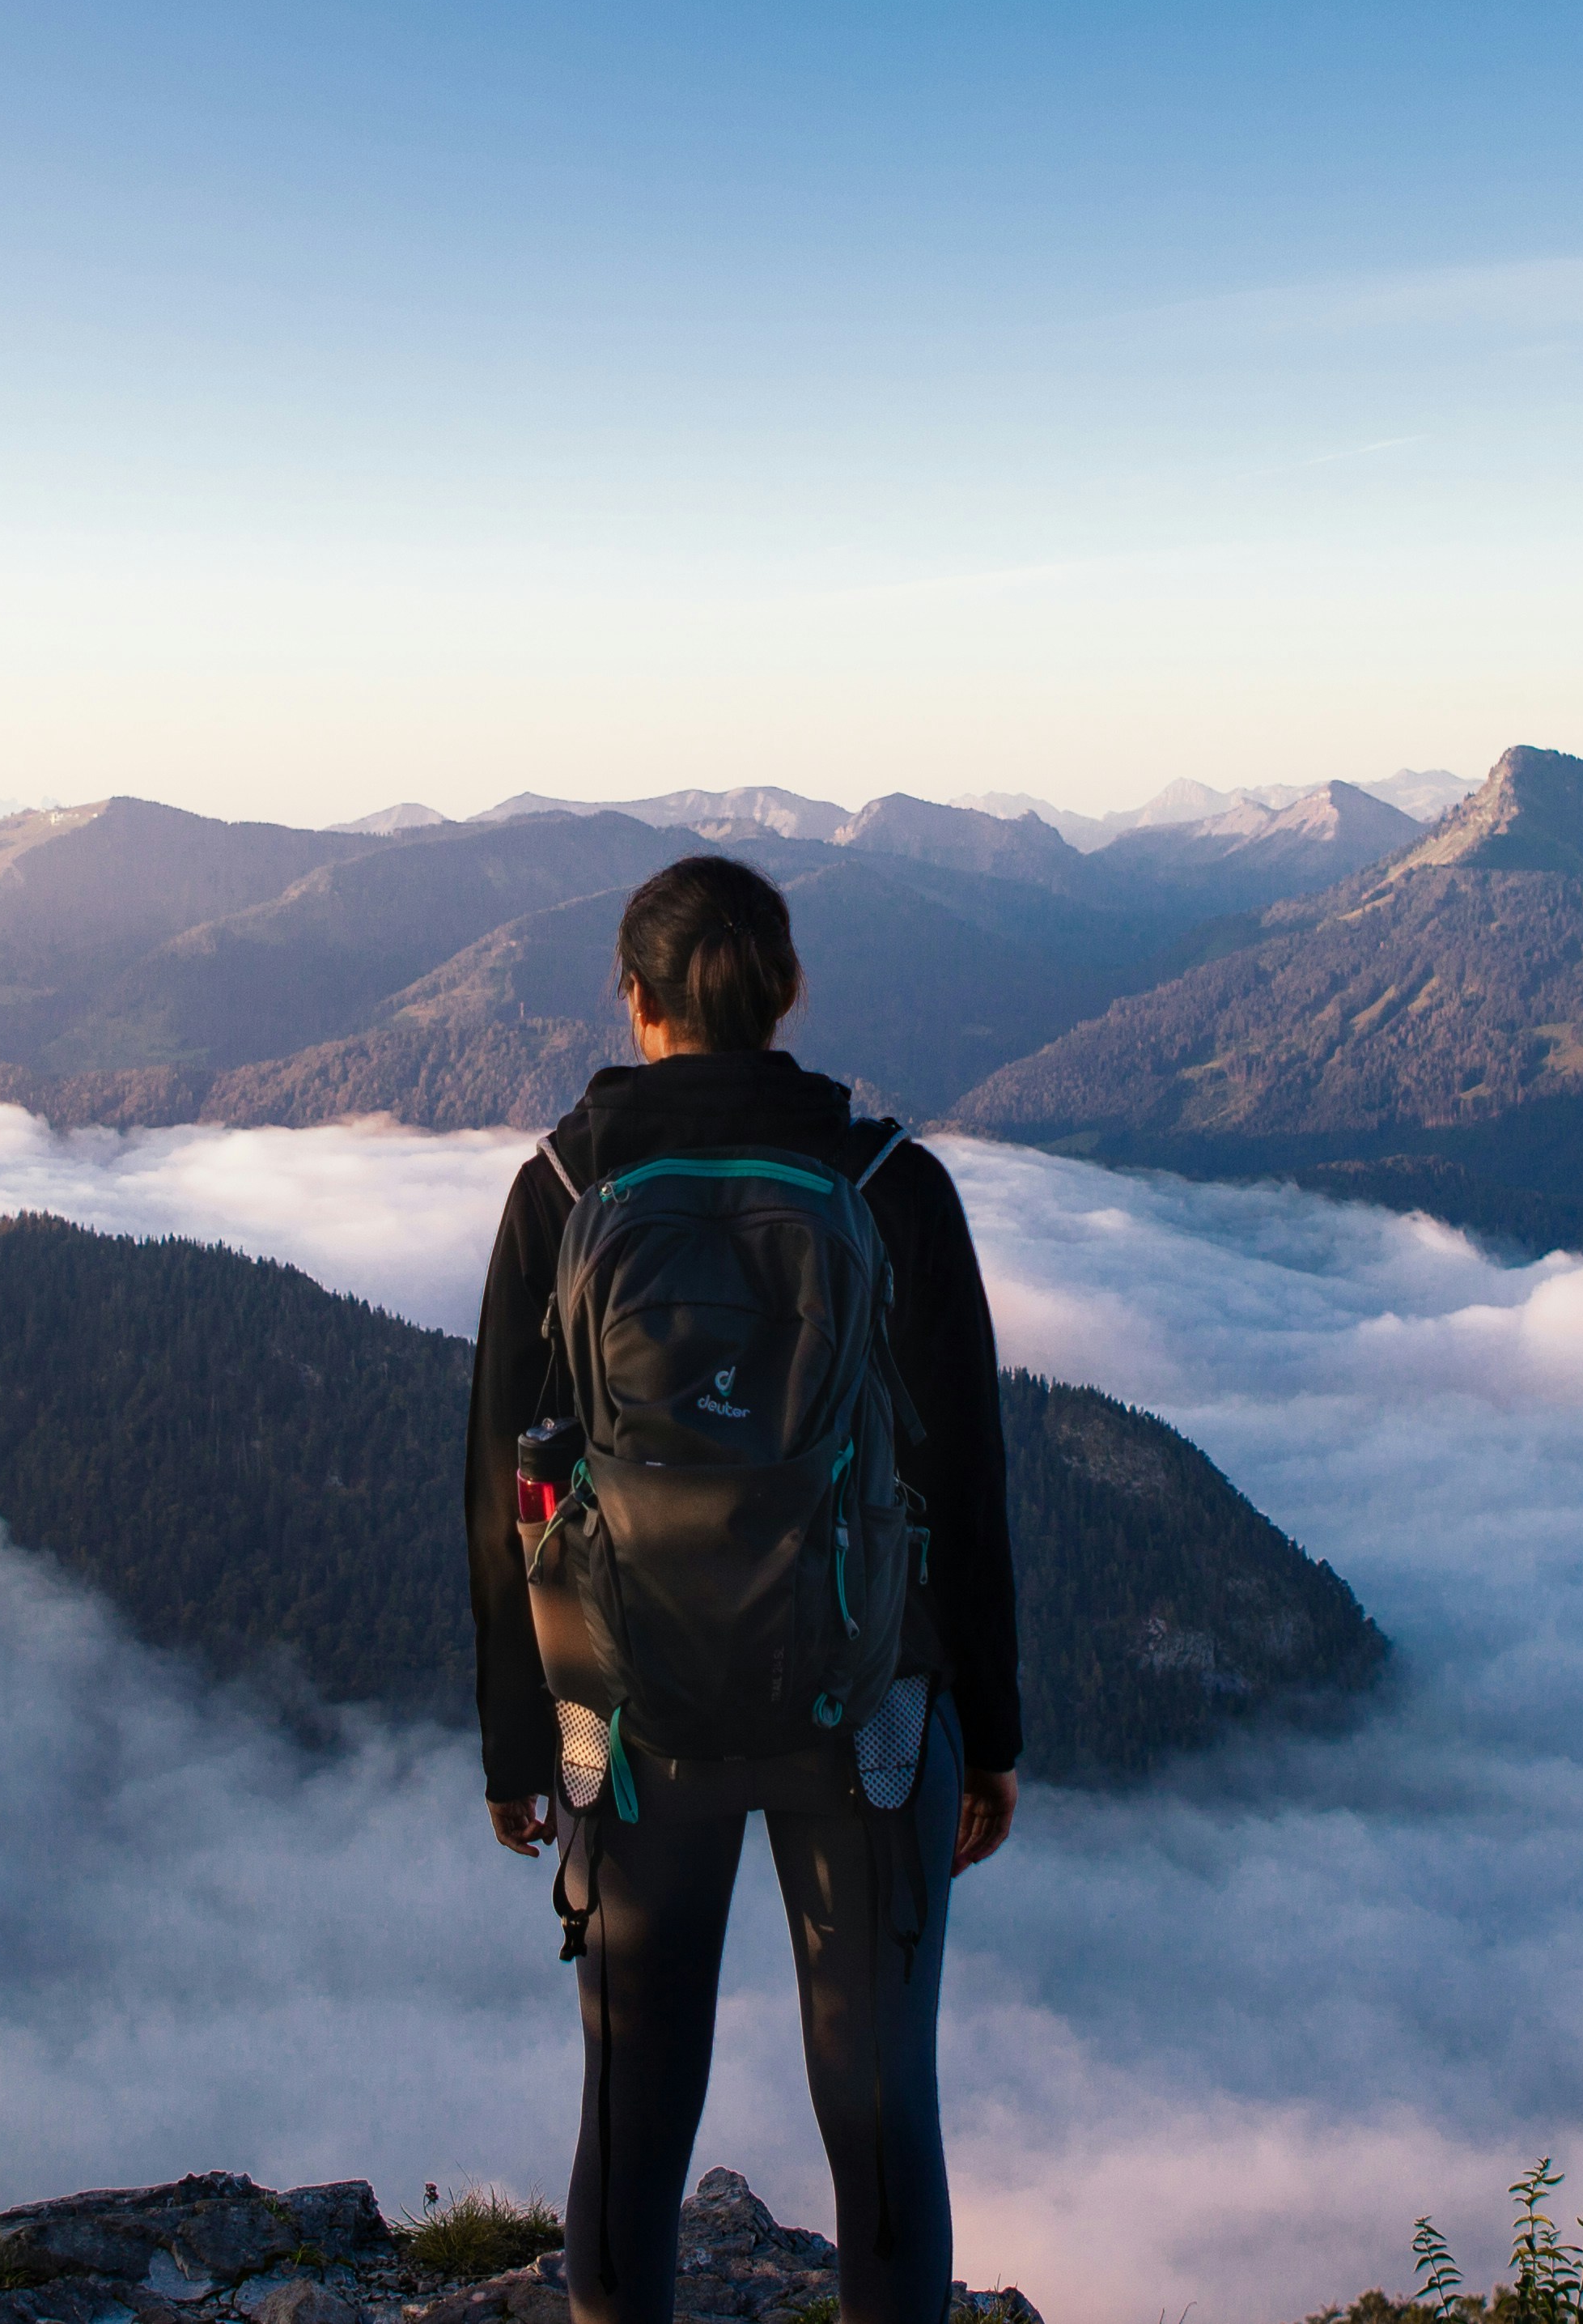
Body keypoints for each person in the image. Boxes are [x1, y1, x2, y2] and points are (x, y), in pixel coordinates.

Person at [466, 854, 1023, 2324]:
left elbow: (503, 1486)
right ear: (786, 996)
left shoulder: (565, 1186)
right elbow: (963, 1475)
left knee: (632, 2117)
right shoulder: (892, 1185)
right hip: (871, 1718)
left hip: (628, 1725)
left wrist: (521, 1743)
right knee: (881, 2105)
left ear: (632, 998)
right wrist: (999, 1731)